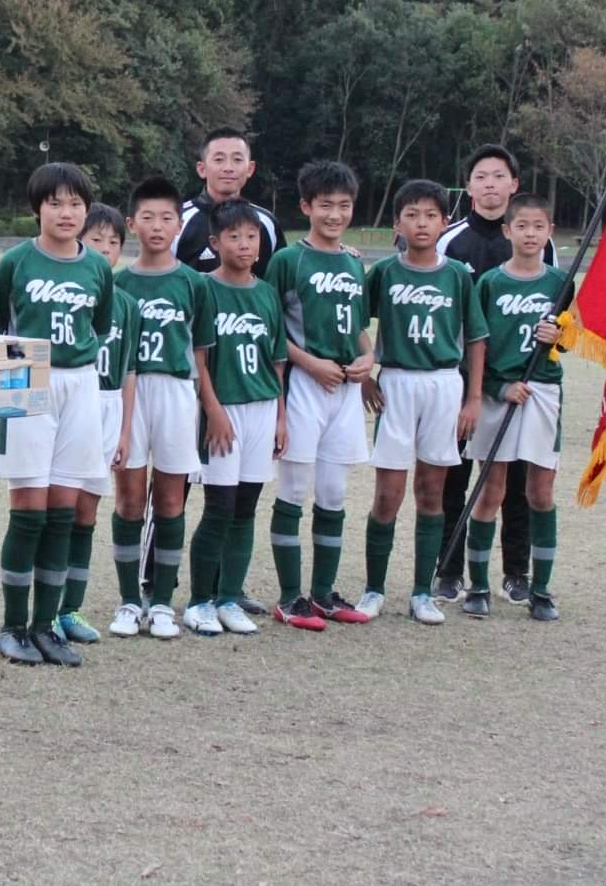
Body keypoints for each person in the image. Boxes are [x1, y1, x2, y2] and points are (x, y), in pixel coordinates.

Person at [0, 163, 116, 667]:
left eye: (76, 204)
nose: (67, 213)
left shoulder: (97, 267)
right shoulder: (16, 261)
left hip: (80, 383)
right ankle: (13, 626)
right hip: (25, 375)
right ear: (36, 207)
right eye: (56, 203)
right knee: (29, 509)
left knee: (64, 508)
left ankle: (47, 625)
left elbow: (99, 326)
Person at [360, 180, 487, 626]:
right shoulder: (385, 273)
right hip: (396, 383)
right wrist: (364, 376)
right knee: (388, 494)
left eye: (431, 215)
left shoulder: (456, 275)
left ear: (444, 222)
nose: (421, 223)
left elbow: (475, 337)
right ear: (397, 223)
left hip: (443, 385)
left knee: (431, 491)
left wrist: (472, 399)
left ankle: (421, 592)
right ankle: (374, 589)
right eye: (412, 214)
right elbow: (357, 322)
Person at [434, 144, 556, 605]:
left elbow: (555, 320)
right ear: (468, 187)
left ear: (514, 184)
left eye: (499, 176)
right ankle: (448, 568)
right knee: (455, 473)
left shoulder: (541, 249)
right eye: (481, 176)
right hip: (462, 378)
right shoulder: (452, 240)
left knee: (519, 479)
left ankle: (516, 571)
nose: (490, 184)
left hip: (517, 383)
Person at [265, 161, 375, 631]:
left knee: (333, 491)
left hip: (345, 390)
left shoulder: (353, 260)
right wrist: (310, 363)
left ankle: (324, 593)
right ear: (306, 206)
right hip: (304, 387)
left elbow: (361, 329)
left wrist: (369, 360)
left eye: (344, 205)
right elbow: (269, 329)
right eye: (325, 205)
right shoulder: (288, 260)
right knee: (293, 489)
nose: (335, 214)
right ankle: (291, 598)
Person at [107, 176, 216, 640]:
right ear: (132, 225)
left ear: (179, 225)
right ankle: (130, 601)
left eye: (166, 218)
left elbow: (200, 354)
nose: (157, 226)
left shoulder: (194, 283)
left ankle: (165, 603)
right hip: (128, 394)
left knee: (171, 499)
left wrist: (208, 404)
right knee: (130, 499)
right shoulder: (116, 283)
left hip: (175, 393)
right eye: (147, 217)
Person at [182, 201, 287, 637]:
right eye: (234, 237)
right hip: (222, 409)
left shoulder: (266, 292)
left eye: (252, 237)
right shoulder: (203, 289)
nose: (245, 245)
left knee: (246, 506)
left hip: (262, 406)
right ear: (214, 242)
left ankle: (228, 598)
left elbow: (277, 361)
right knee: (219, 507)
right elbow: (199, 360)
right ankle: (199, 601)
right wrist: (212, 411)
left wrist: (281, 416)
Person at [463, 194, 567, 622]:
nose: (529, 234)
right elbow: (477, 344)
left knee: (540, 491)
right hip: (497, 395)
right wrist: (496, 387)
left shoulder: (561, 282)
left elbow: (574, 340)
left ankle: (540, 589)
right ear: (507, 231)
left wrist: (557, 335)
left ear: (549, 232)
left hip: (542, 392)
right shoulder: (490, 283)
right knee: (492, 489)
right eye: (521, 226)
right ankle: (478, 586)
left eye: (537, 227)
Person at [65, 204, 136, 644]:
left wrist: (125, 430)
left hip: (109, 405)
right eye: (97, 240)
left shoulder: (125, 303)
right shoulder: (72, 289)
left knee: (87, 509)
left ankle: (71, 606)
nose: (106, 250)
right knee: (59, 507)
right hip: (76, 395)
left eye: (114, 243)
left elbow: (128, 371)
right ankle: (46, 606)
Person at [173, 129, 285, 275]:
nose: (228, 168)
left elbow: (279, 285)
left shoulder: (266, 222)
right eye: (219, 160)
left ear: (250, 169)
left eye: (237, 160)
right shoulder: (177, 221)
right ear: (202, 169)